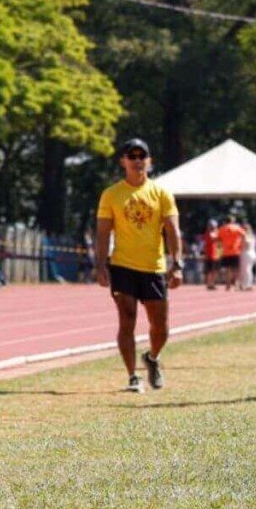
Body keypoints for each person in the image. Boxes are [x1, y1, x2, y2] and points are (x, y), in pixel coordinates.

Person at [95, 138, 184, 393]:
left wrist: (177, 264)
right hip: (122, 265)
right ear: (123, 162)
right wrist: (100, 265)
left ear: (149, 161)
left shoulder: (162, 194)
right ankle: (133, 376)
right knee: (127, 320)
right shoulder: (111, 195)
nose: (137, 160)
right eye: (131, 156)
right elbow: (102, 233)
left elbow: (173, 230)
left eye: (141, 156)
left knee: (161, 328)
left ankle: (152, 357)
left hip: (154, 267)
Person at [218, 215, 245, 291]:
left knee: (228, 269)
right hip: (235, 250)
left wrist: (221, 248)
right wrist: (242, 245)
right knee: (236, 268)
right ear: (233, 221)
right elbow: (244, 235)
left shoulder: (222, 229)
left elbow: (218, 239)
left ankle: (228, 285)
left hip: (226, 251)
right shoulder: (237, 227)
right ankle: (236, 284)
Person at [201, 219, 220, 290]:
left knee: (214, 271)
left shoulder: (214, 233)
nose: (213, 227)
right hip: (210, 255)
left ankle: (212, 283)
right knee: (210, 271)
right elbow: (213, 239)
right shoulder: (209, 233)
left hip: (215, 255)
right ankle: (210, 284)